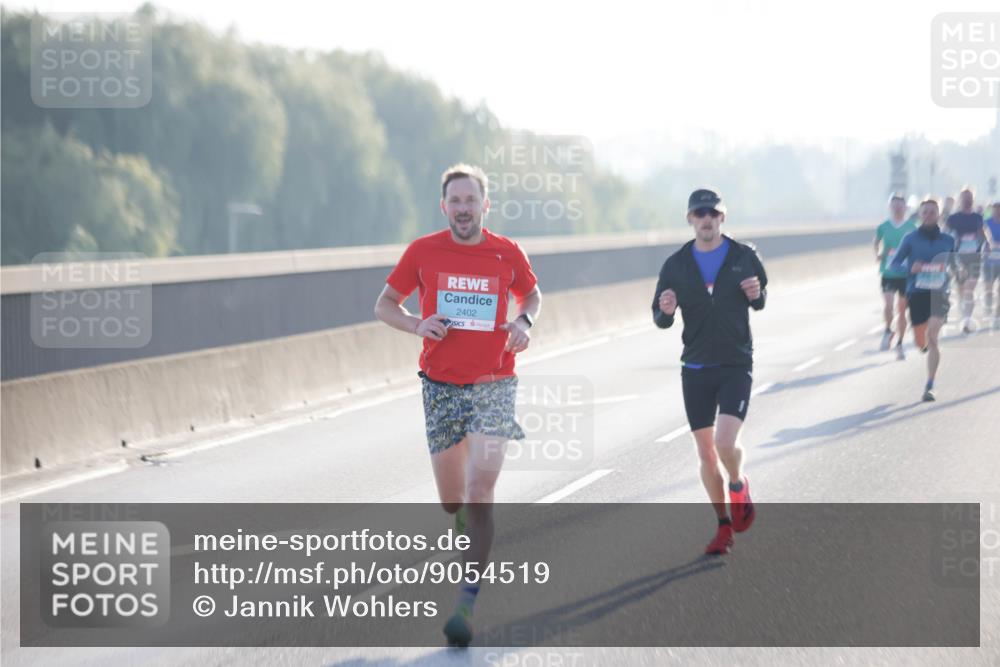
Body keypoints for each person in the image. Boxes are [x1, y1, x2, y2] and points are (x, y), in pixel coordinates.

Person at [374, 163, 542, 647]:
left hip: (494, 383)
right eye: (456, 201)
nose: (463, 209)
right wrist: (415, 325)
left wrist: (523, 324)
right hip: (441, 386)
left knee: (479, 491)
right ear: (443, 206)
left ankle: (466, 601)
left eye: (471, 200)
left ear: (484, 206)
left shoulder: (506, 252)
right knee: (453, 501)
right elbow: (384, 304)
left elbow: (531, 295)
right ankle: (465, 529)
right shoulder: (423, 251)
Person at [652, 188, 767, 555]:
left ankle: (737, 483)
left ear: (722, 218)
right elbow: (660, 318)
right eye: (700, 214)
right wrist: (666, 310)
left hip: (735, 363)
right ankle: (722, 527)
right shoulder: (676, 265)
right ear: (690, 219)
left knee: (724, 443)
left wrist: (755, 294)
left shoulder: (743, 255)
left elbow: (761, 299)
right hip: (696, 367)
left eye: (713, 214)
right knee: (705, 453)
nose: (706, 220)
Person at [890, 197, 956, 401]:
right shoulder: (910, 239)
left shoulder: (948, 240)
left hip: (939, 293)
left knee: (933, 337)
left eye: (932, 212)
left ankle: (930, 385)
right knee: (921, 342)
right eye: (925, 212)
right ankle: (922, 344)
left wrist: (955, 272)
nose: (928, 215)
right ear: (920, 215)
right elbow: (894, 264)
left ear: (938, 215)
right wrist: (911, 268)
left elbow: (956, 263)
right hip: (916, 292)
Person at [874, 193, 916, 358]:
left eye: (900, 205)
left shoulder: (912, 227)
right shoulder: (883, 226)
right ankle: (887, 330)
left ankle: (899, 344)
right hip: (888, 272)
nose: (898, 208)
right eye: (895, 205)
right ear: (890, 207)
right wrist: (877, 253)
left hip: (905, 274)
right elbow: (876, 241)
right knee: (888, 304)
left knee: (902, 309)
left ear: (905, 208)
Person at [945, 187, 986, 333]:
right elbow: (945, 234)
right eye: (964, 197)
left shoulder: (977, 217)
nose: (967, 200)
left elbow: (981, 234)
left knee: (970, 288)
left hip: (974, 257)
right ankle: (965, 316)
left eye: (969, 197)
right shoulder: (953, 218)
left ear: (973, 199)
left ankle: (967, 320)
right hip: (958, 258)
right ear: (960, 199)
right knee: (961, 290)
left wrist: (985, 246)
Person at [985, 201, 1000, 323]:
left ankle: (998, 314)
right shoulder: (987, 223)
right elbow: (982, 239)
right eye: (995, 210)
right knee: (988, 288)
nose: (997, 212)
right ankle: (989, 305)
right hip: (989, 262)